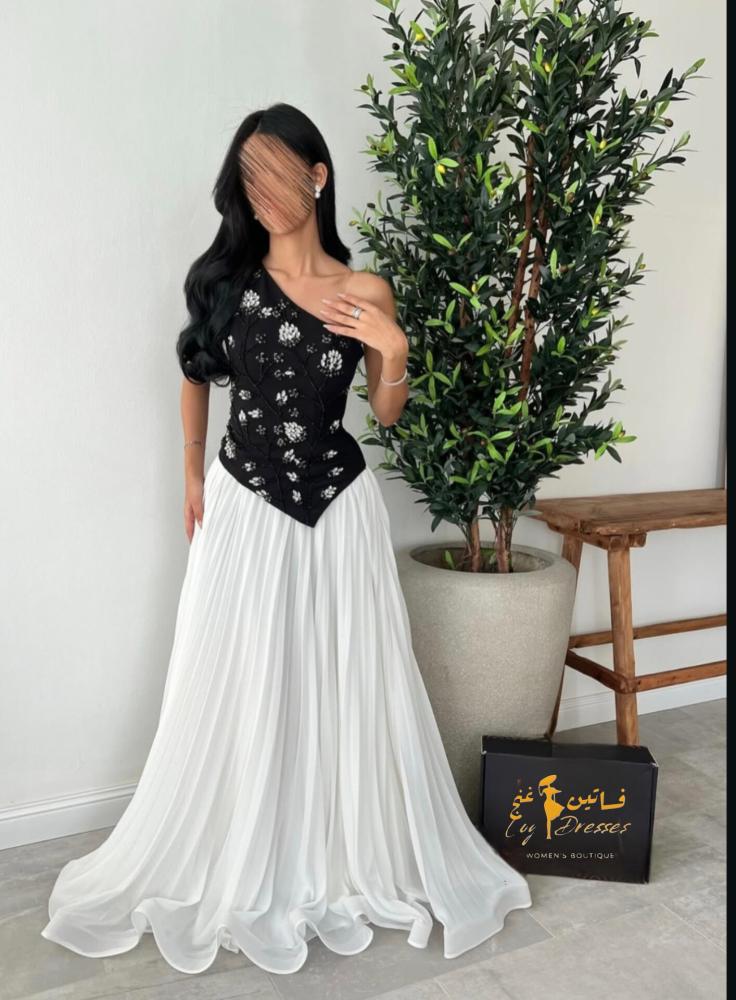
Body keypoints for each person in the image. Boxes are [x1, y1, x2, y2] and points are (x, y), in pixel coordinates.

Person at [41, 102, 532, 977]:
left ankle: (336, 852)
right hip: (243, 503)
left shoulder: (364, 291)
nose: (262, 194)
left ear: (318, 175)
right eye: (249, 178)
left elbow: (387, 414)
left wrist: (394, 350)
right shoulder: (223, 282)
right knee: (240, 668)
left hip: (340, 508)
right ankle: (245, 844)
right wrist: (191, 473)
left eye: (276, 174)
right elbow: (195, 373)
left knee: (344, 671)